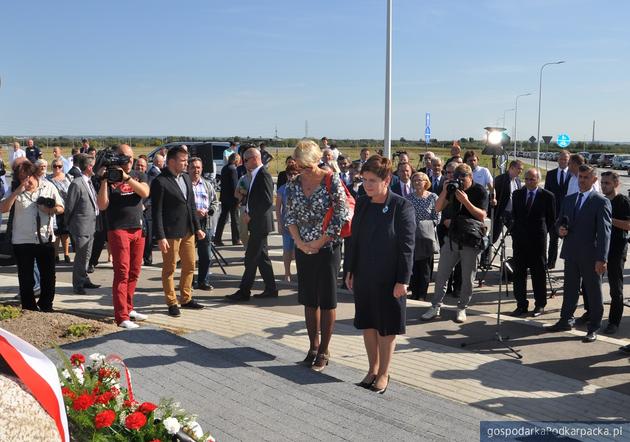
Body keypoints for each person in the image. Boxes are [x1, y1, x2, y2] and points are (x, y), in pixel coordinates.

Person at [346, 155, 415, 393]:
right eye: (364, 179)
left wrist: (402, 280)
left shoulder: (401, 206)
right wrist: (350, 269)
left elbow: (407, 246)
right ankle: (372, 369)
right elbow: (353, 240)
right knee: (368, 323)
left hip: (390, 278)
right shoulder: (363, 202)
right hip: (364, 274)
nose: (367, 185)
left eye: (373, 180)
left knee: (387, 327)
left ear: (387, 180)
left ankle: (384, 373)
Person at [284, 140, 349, 372]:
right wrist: (300, 243)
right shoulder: (293, 184)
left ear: (317, 161)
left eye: (307, 166)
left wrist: (320, 241)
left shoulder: (332, 180)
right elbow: (288, 215)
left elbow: (341, 214)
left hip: (328, 247)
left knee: (327, 299)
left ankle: (325, 350)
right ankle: (313, 346)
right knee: (309, 299)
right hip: (303, 248)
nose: (303, 170)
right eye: (300, 166)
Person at [547, 165, 611, 343]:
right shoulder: (569, 199)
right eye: (580, 177)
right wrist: (560, 229)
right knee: (570, 289)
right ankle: (565, 320)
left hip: (591, 256)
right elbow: (559, 221)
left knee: (593, 292)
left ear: (594, 180)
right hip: (571, 252)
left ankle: (594, 327)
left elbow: (605, 233)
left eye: (585, 177)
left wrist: (602, 258)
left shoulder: (601, 201)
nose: (582, 180)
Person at [422, 163, 489, 323]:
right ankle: (435, 306)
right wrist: (446, 191)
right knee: (442, 275)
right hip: (452, 238)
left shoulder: (479, 190)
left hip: (470, 241)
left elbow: (481, 215)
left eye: (463, 179)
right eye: (456, 179)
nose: (460, 183)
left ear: (470, 177)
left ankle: (462, 308)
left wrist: (465, 201)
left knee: (468, 278)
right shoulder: (452, 188)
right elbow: (437, 209)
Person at [97, 144, 151, 328]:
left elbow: (144, 192)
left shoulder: (139, 175)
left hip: (138, 228)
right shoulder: (110, 177)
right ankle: (121, 317)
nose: (127, 160)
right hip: (118, 229)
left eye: (129, 157)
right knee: (122, 272)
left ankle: (129, 307)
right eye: (122, 157)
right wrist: (105, 180)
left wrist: (126, 177)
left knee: (135, 271)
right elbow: (102, 205)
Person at [0, 161, 64, 312]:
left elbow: (61, 208)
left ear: (35, 175)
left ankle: (46, 305)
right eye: (21, 178)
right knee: (26, 278)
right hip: (23, 240)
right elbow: (3, 208)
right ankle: (29, 307)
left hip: (45, 239)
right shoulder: (15, 189)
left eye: (28, 177)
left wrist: (49, 209)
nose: (26, 181)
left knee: (48, 277)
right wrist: (17, 191)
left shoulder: (47, 186)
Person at [151, 146, 206, 317]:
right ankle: (172, 302)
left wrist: (197, 228)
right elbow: (156, 211)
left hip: (188, 231)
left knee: (190, 265)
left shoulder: (186, 179)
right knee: (169, 269)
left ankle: (186, 298)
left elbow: (191, 206)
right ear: (172, 161)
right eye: (183, 161)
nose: (186, 164)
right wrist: (160, 236)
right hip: (170, 233)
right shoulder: (160, 182)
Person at [509, 168, 556, 317]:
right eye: (527, 179)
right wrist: (515, 232)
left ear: (538, 180)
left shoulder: (547, 196)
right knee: (519, 274)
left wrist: (541, 232)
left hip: (538, 241)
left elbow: (551, 219)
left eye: (532, 179)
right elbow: (514, 216)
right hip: (519, 240)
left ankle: (540, 304)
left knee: (538, 273)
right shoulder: (517, 194)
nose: (529, 182)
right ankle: (521, 304)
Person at [65, 154, 101, 295]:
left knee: (87, 255)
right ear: (89, 167)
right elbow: (69, 207)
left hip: (91, 225)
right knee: (81, 257)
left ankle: (84, 278)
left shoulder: (89, 181)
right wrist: (71, 225)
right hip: (80, 226)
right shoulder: (77, 183)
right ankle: (78, 284)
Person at [599, 171, 629, 335]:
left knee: (614, 286)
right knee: (591, 283)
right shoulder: (600, 200)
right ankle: (592, 313)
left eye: (607, 183)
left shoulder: (622, 201)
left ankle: (614, 322)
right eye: (602, 182)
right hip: (600, 246)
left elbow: (628, 225)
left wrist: (609, 220)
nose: (604, 186)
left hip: (617, 247)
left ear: (616, 184)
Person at [406, 171, 439, 300]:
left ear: (426, 182)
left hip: (426, 236)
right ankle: (414, 292)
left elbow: (437, 217)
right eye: (415, 180)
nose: (417, 182)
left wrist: (424, 225)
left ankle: (422, 294)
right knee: (413, 266)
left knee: (425, 267)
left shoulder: (433, 197)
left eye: (420, 180)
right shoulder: (409, 198)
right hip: (412, 235)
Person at [189, 157, 219, 290]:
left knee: (206, 255)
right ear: (188, 168)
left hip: (205, 223)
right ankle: (188, 281)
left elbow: (215, 201)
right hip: (189, 224)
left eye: (198, 167)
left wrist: (210, 210)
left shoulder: (207, 184)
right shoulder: (185, 184)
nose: (196, 170)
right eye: (193, 167)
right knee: (188, 256)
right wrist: (194, 212)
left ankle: (203, 281)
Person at [544, 150, 570, 269]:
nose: (563, 161)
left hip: (568, 214)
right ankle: (550, 263)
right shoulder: (550, 174)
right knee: (553, 240)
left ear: (569, 160)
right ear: (558, 160)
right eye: (561, 159)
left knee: (568, 241)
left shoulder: (573, 175)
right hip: (553, 213)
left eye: (565, 159)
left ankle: (568, 266)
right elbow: (545, 194)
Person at [275, 163, 299, 281]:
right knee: (287, 250)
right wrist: (279, 223)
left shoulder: (302, 187)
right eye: (290, 174)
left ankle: (300, 272)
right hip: (287, 224)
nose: (292, 176)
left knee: (298, 251)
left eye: (295, 173)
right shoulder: (282, 188)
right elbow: (278, 208)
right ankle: (287, 273)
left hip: (300, 225)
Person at [491, 160, 523, 243]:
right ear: (511, 168)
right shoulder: (501, 179)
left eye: (522, 169)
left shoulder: (517, 181)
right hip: (501, 213)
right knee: (493, 237)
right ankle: (485, 255)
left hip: (512, 214)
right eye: (519, 169)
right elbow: (492, 193)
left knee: (517, 235)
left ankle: (517, 255)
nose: (521, 171)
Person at [48, 159, 72, 263]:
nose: (57, 168)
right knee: (56, 233)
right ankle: (56, 254)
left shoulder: (68, 178)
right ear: (52, 167)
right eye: (55, 166)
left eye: (59, 166)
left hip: (66, 208)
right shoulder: (48, 179)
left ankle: (66, 254)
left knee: (65, 233)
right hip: (54, 209)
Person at [214, 153, 241, 246]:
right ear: (236, 160)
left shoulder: (224, 168)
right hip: (232, 198)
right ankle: (236, 239)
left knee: (222, 218)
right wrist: (238, 198)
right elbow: (235, 186)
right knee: (235, 219)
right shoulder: (233, 169)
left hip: (224, 197)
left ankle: (217, 238)